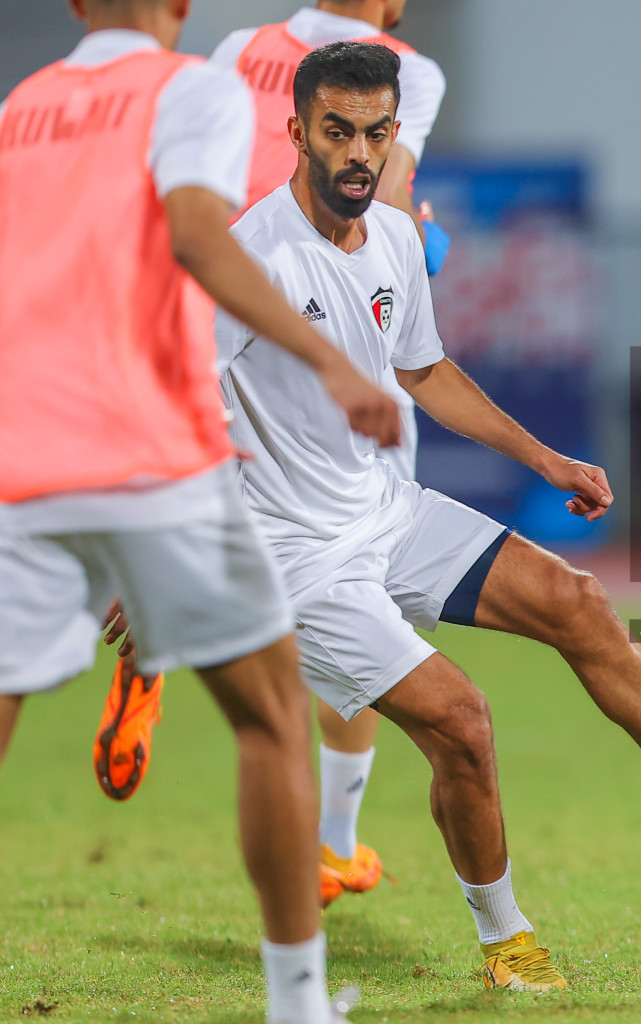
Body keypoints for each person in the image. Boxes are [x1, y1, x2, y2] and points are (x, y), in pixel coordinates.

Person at [217, 41, 641, 991]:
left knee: (577, 600)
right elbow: (173, 397)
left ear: (394, 137)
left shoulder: (392, 239)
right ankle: (505, 938)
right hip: (299, 560)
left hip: (386, 512)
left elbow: (424, 372)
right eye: (337, 132)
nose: (358, 152)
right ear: (298, 133)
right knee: (463, 724)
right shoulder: (249, 258)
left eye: (375, 134)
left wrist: (545, 457)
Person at [0, 1, 401, 1020]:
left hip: (23, 457)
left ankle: (142, 645)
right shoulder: (196, 91)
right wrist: (328, 363)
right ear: (179, 6)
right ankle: (299, 1002)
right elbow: (194, 235)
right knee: (272, 717)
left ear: (74, 5)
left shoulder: (23, 105)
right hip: (150, 453)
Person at [94, 0, 449, 919]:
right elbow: (383, 199)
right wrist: (424, 243)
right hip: (318, 318)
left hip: (214, 315)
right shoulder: (407, 68)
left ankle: (161, 626)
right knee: (357, 590)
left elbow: (191, 188)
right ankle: (331, 844)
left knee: (241, 532)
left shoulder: (238, 47)